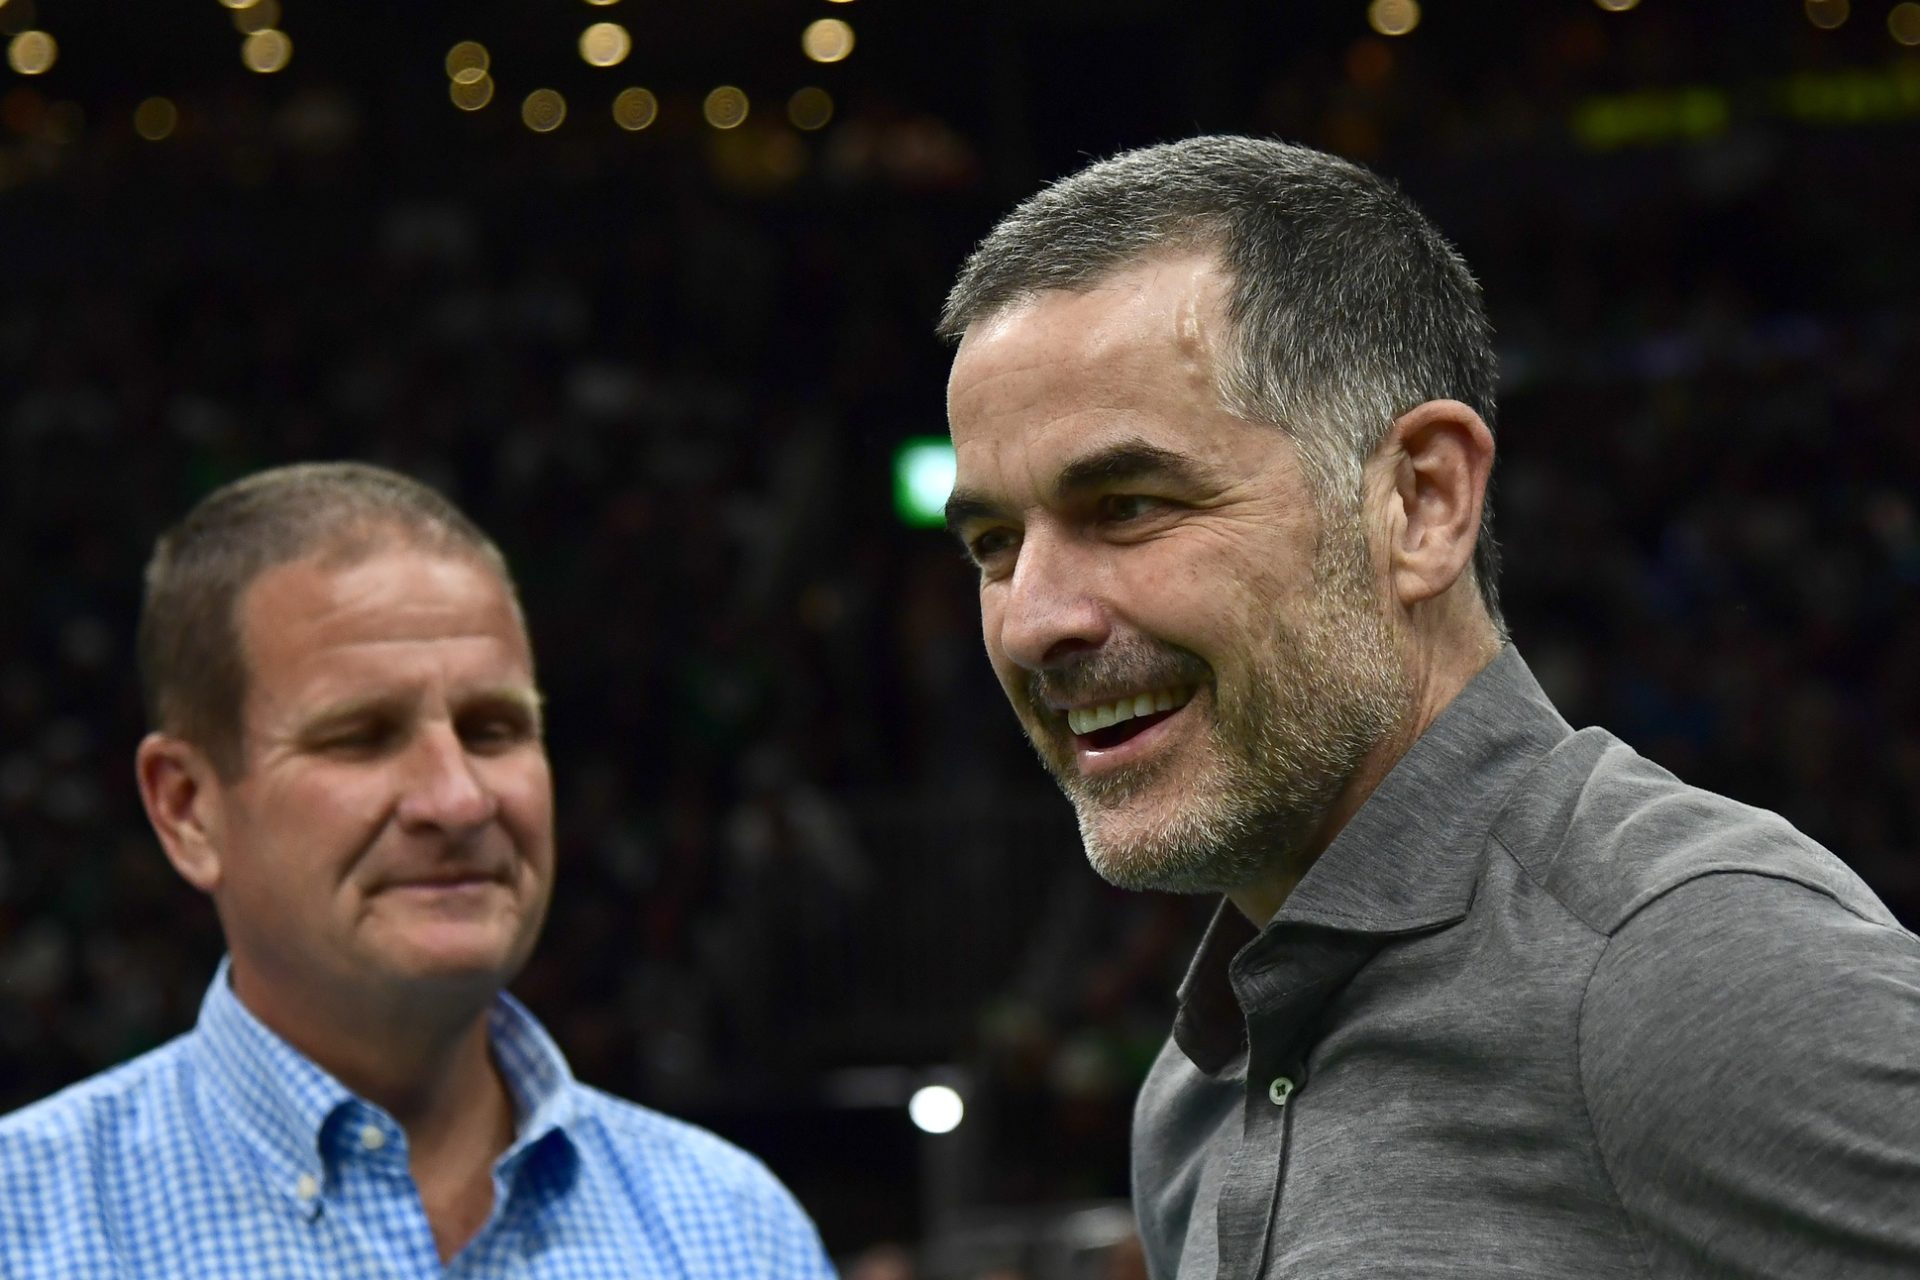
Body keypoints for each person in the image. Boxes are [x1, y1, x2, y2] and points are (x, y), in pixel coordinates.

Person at [937, 136, 1920, 1279]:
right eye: (994, 544)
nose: (1032, 617)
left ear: (1422, 500)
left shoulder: (1685, 969)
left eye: (1129, 505)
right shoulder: (1193, 1092)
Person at [0, 462, 834, 1278]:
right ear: (187, 807)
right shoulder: (24, 1225)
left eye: (493, 728)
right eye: (359, 736)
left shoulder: (737, 1231)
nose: (459, 798)